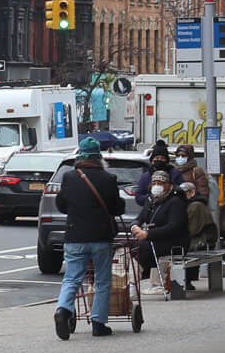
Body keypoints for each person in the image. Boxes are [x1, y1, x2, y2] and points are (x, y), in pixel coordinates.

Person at [53, 137, 123, 340]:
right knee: (102, 280)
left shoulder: (69, 177)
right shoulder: (108, 179)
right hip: (100, 237)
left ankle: (63, 309)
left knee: (72, 277)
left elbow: (61, 205)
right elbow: (116, 208)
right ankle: (99, 323)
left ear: (80, 156)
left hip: (75, 235)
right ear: (98, 156)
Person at [128, 171, 190, 298]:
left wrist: (147, 234)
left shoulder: (176, 201)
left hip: (175, 241)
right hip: (156, 239)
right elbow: (141, 217)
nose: (156, 186)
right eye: (154, 183)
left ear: (168, 184)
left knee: (141, 249)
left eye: (160, 183)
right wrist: (135, 226)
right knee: (131, 247)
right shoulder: (151, 200)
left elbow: (174, 227)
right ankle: (131, 284)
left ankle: (134, 285)